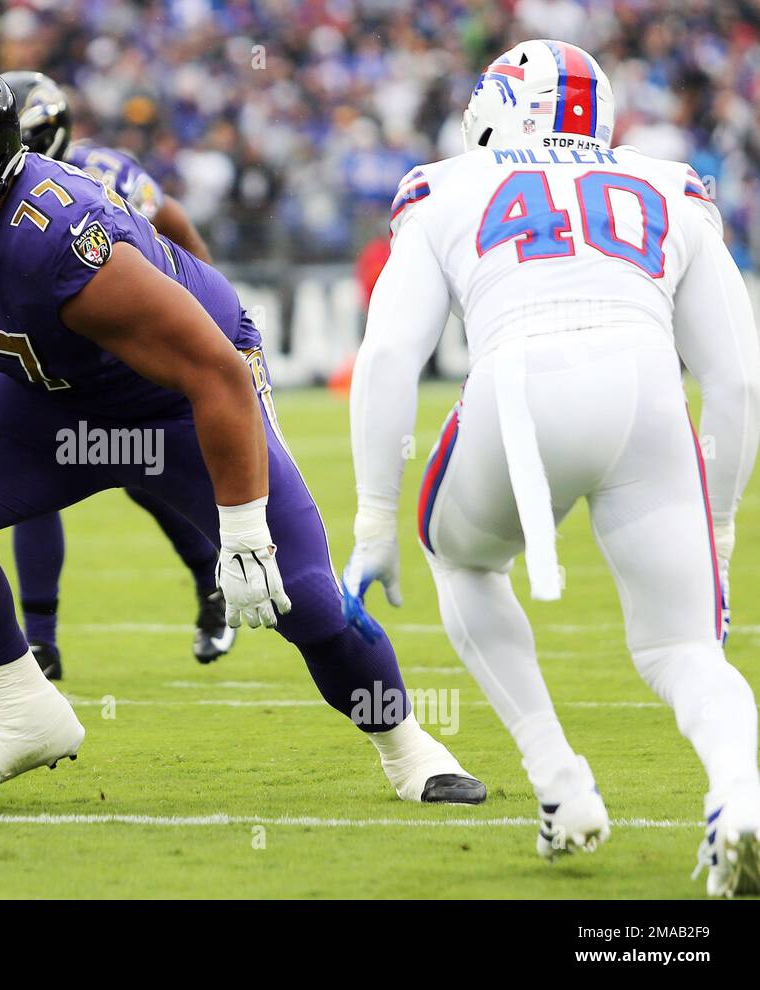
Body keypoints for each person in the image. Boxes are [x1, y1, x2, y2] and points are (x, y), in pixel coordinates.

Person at [0, 60, 486, 805]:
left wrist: (239, 533)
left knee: (301, 595)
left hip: (174, 399)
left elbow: (217, 374)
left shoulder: (61, 240)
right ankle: (26, 711)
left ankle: (409, 749)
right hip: (51, 392)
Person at [343, 40, 760, 896]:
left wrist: (375, 515)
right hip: (648, 391)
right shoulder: (672, 183)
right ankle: (740, 796)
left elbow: (388, 356)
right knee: (684, 647)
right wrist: (718, 521)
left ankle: (561, 784)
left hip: (519, 382)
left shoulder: (445, 185)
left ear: (502, 106)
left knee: (459, 555)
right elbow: (738, 377)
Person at [0, 70, 232, 678]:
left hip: (112, 349)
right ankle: (40, 641)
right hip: (29, 344)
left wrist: (203, 304)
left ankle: (213, 584)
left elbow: (173, 223)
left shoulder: (103, 173)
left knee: (147, 475)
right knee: (26, 474)